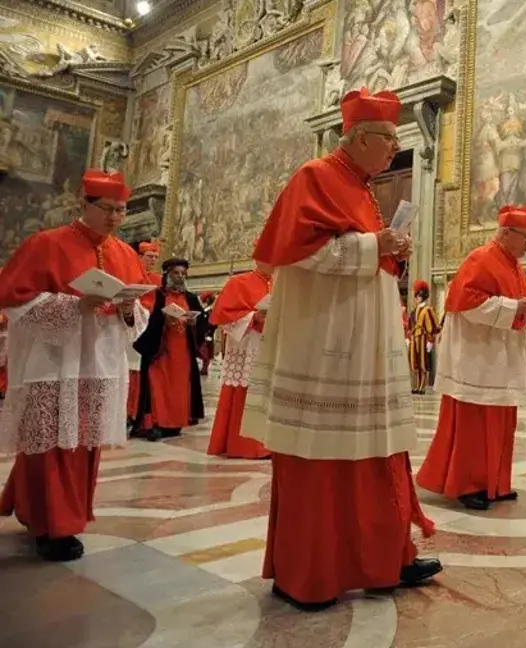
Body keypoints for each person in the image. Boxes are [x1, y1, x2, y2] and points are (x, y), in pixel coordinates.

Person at [243, 87, 439, 611]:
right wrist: (378, 244)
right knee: (320, 455)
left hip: (365, 339)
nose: (395, 148)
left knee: (374, 451)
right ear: (359, 138)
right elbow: (300, 254)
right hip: (324, 341)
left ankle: (382, 559)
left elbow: (357, 251)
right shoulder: (316, 176)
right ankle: (308, 572)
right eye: (390, 138)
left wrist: (391, 248)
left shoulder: (363, 188)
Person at [0, 169, 147, 561]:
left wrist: (131, 309)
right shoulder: (46, 244)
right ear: (84, 204)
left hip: (99, 362)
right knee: (51, 445)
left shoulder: (125, 253)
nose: (116, 218)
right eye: (108, 209)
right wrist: (73, 306)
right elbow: (14, 300)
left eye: (122, 210)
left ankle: (55, 513)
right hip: (54, 362)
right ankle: (53, 527)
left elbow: (138, 315)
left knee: (82, 446)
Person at [416, 205, 526, 511]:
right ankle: (467, 484)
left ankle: (495, 483)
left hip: (500, 359)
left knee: (502, 423)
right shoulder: (481, 258)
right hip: (478, 359)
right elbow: (468, 302)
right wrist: (512, 308)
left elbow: (517, 302)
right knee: (475, 425)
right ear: (507, 233)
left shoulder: (514, 266)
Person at [133, 258, 207, 442]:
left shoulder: (191, 298)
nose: (180, 277)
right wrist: (162, 322)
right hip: (160, 350)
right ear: (167, 274)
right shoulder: (156, 295)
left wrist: (194, 323)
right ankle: (155, 424)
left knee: (180, 388)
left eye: (183, 273)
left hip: (183, 353)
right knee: (158, 386)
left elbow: (203, 323)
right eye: (176, 273)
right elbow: (145, 321)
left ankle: (174, 423)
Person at [206, 264, 274, 459]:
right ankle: (246, 446)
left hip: (272, 344)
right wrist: (254, 316)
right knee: (246, 389)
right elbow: (224, 316)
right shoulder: (239, 282)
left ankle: (269, 444)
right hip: (247, 344)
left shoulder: (282, 283)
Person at [127, 241, 163, 428]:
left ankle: (137, 413)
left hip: (150, 329)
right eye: (149, 257)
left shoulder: (158, 279)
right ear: (140, 257)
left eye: (156, 257)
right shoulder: (131, 273)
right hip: (129, 326)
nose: (153, 260)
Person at [407, 279, 441, 394]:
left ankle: (422, 386)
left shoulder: (428, 310)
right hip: (414, 339)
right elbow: (410, 326)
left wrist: (430, 341)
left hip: (423, 339)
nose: (416, 297)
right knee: (415, 363)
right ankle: (417, 385)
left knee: (423, 363)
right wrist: (409, 337)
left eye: (418, 295)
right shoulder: (414, 311)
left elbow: (433, 326)